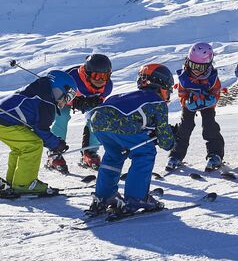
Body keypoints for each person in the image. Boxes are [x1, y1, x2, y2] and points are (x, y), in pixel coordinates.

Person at [86, 63, 175, 217]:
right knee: (144, 154)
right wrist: (173, 140)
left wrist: (148, 136)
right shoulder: (157, 102)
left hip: (97, 120)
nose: (169, 93)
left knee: (114, 155)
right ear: (161, 85)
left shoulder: (131, 96)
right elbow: (165, 141)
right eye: (169, 89)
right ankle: (136, 198)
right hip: (121, 124)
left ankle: (103, 197)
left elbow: (135, 123)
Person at [0, 70, 76, 195]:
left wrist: (55, 143)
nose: (66, 102)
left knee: (21, 148)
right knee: (33, 144)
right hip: (5, 123)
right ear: (59, 89)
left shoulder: (40, 91)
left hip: (5, 121)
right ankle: (24, 184)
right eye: (68, 96)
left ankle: (14, 181)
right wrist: (56, 144)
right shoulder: (47, 103)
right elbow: (42, 131)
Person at [47, 54, 113, 173]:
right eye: (96, 75)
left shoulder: (107, 87)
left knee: (97, 118)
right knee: (62, 116)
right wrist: (74, 100)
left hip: (84, 101)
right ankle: (54, 152)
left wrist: (93, 102)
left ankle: (90, 152)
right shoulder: (73, 78)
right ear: (87, 73)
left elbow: (100, 101)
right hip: (63, 100)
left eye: (104, 76)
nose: (100, 80)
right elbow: (57, 95)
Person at [166, 42, 224, 172]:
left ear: (208, 65)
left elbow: (216, 92)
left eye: (200, 67)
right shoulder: (184, 77)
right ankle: (176, 155)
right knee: (185, 127)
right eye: (193, 65)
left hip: (207, 105)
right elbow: (181, 93)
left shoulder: (212, 78)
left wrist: (210, 100)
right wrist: (187, 102)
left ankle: (215, 155)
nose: (196, 70)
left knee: (209, 126)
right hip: (190, 104)